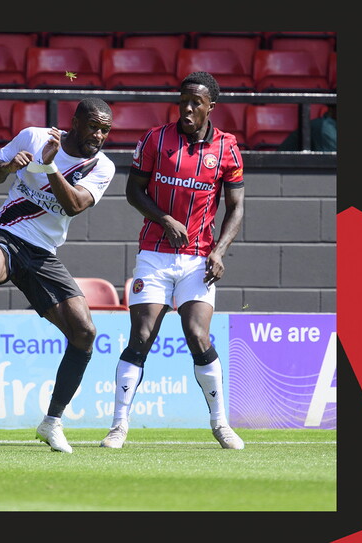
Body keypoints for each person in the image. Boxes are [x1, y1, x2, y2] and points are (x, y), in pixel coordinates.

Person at [0, 98, 116, 454]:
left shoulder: (101, 166)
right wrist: (7, 164)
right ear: (74, 122)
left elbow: (74, 206)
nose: (98, 134)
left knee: (84, 332)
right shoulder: (33, 135)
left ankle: (51, 422)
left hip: (44, 254)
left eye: (105, 129)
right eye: (92, 126)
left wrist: (48, 168)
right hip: (7, 233)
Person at [101, 72, 246, 450]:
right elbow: (133, 190)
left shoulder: (227, 149)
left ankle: (220, 424)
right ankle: (118, 426)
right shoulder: (155, 139)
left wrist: (219, 251)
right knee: (142, 335)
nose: (186, 108)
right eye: (182, 101)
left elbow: (236, 208)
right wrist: (164, 220)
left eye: (195, 102)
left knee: (198, 335)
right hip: (155, 255)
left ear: (210, 106)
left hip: (199, 259)